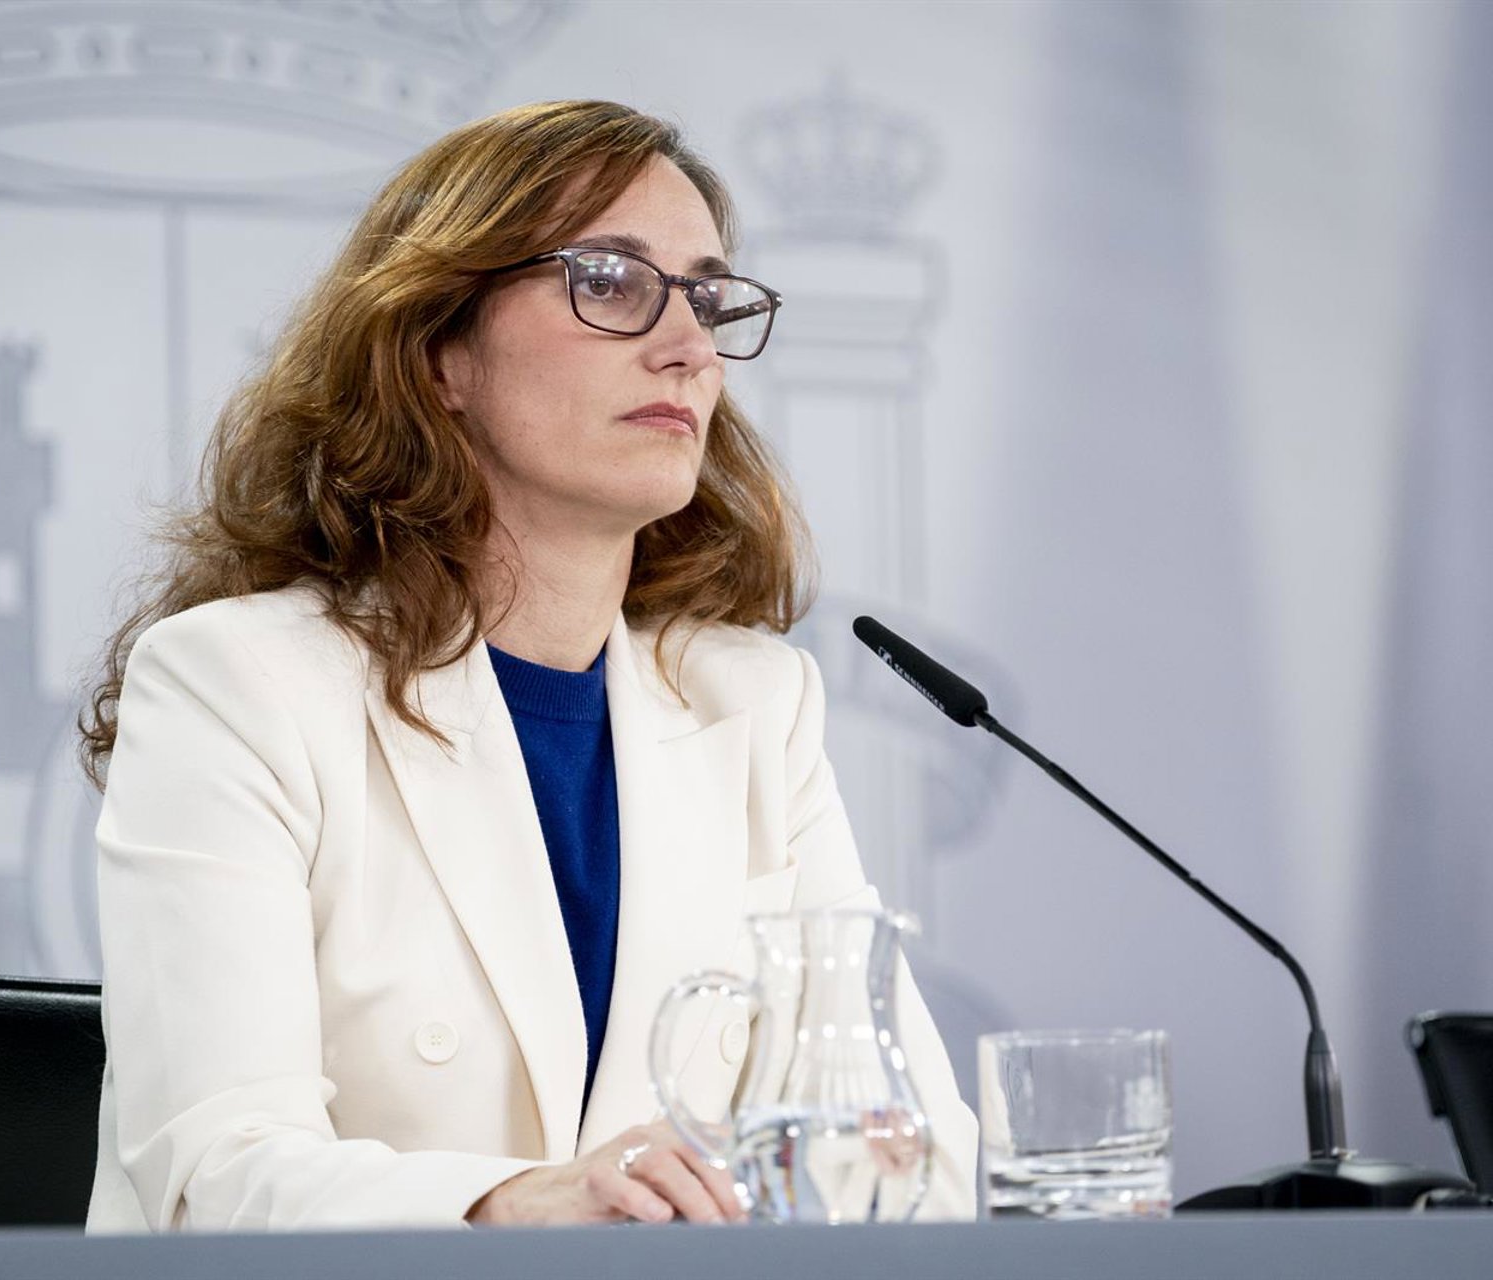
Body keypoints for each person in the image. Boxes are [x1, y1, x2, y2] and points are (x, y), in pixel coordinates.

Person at [78, 99, 977, 1232]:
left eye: (707, 298)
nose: (690, 346)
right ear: (437, 351)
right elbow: (215, 1176)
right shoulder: (235, 684)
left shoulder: (754, 701)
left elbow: (915, 1158)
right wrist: (516, 1205)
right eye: (610, 281)